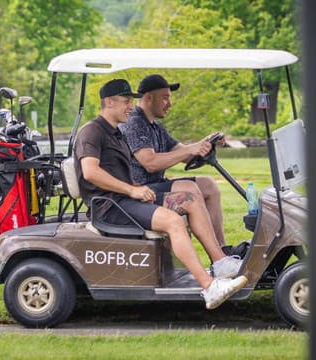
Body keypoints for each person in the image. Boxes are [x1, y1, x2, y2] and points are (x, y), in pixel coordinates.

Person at [73, 78, 247, 309]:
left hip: (124, 200)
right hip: (109, 207)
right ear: (108, 102)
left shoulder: (116, 134)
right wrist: (132, 190)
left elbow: (121, 172)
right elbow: (90, 172)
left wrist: (138, 189)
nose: (130, 107)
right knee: (174, 221)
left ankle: (218, 264)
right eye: (126, 101)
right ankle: (210, 287)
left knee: (190, 198)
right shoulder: (92, 132)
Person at [119, 74, 237, 259]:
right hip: (140, 191)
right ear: (149, 97)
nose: (170, 104)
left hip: (155, 185)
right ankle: (218, 259)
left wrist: (206, 143)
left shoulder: (155, 126)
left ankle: (223, 250)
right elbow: (149, 163)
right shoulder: (135, 123)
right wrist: (192, 148)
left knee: (209, 185)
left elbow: (182, 152)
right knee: (189, 188)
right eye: (165, 97)